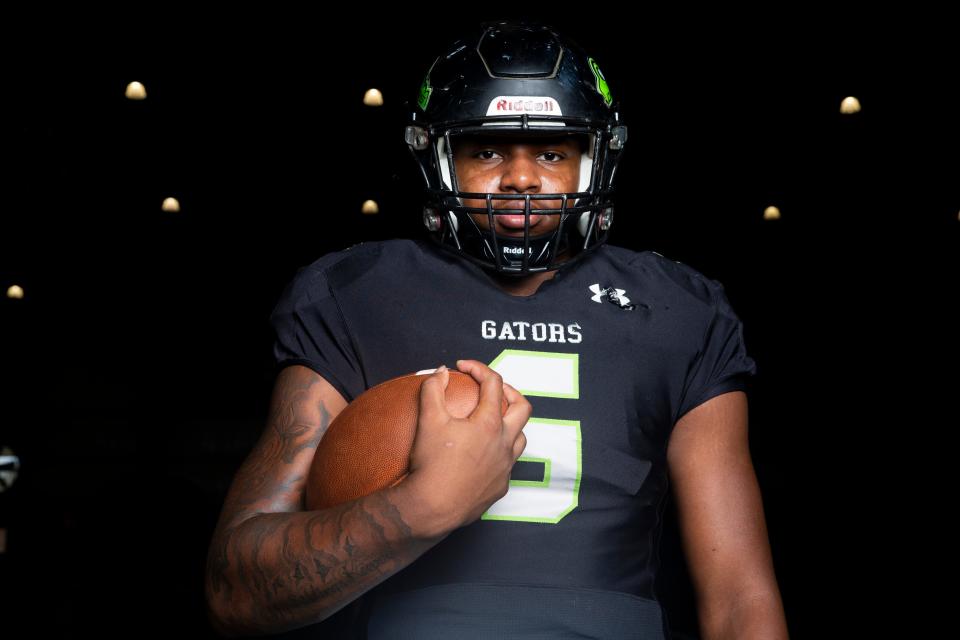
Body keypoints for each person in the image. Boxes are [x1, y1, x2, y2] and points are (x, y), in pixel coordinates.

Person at [204, 21, 788, 639]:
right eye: (486, 150)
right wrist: (422, 507)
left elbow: (738, 599)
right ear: (436, 156)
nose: (521, 180)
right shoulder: (356, 293)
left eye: (552, 152)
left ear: (595, 158)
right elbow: (234, 591)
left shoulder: (677, 308)